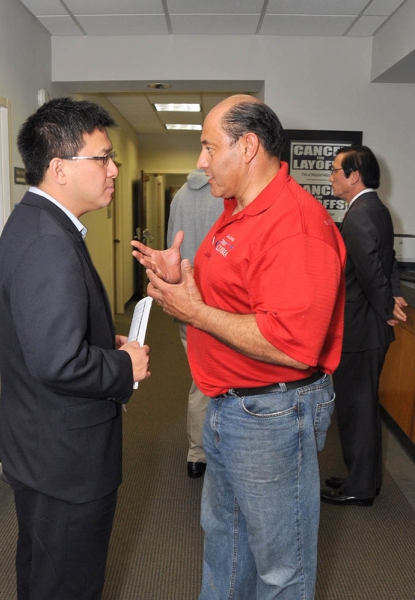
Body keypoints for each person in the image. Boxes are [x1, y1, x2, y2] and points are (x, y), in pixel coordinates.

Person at [132, 95, 346, 599]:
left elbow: (293, 346)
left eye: (209, 147)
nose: (201, 160)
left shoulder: (295, 225)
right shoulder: (236, 209)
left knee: (280, 568)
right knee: (226, 547)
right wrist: (181, 282)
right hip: (229, 406)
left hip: (271, 414)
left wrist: (194, 312)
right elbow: (233, 299)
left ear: (248, 147)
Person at [0, 97, 150, 600]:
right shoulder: (48, 242)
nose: (114, 169)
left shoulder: (39, 223)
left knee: (45, 576)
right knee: (66, 585)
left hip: (43, 450)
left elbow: (47, 337)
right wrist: (122, 366)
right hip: (63, 462)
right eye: (102, 158)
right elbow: (58, 362)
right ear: (59, 168)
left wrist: (103, 342)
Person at [321, 145, 407, 507]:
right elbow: (388, 259)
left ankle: (359, 488)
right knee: (363, 409)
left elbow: (372, 270)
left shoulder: (359, 214)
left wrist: (387, 305)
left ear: (354, 175)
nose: (330, 177)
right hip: (367, 327)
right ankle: (362, 479)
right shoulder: (376, 208)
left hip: (359, 329)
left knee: (357, 411)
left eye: (335, 170)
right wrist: (394, 294)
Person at [166, 169, 223, 478]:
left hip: (185, 301)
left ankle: (196, 454)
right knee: (224, 378)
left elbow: (170, 251)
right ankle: (216, 448)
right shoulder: (226, 197)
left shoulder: (179, 197)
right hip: (219, 306)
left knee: (201, 379)